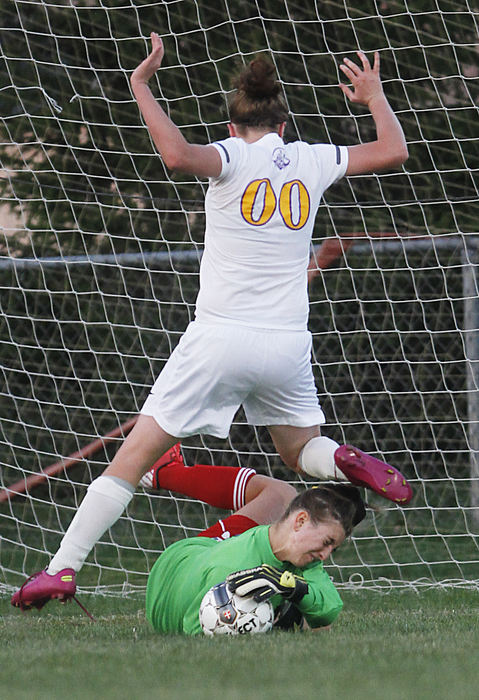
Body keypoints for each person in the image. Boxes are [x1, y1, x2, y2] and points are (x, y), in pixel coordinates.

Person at [11, 34, 410, 612]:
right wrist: (373, 97)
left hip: (221, 336)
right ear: (284, 123)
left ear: (231, 127)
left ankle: (61, 570)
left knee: (131, 462)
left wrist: (141, 87)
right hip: (287, 343)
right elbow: (392, 150)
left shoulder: (231, 156)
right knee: (300, 454)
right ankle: (341, 458)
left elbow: (175, 156)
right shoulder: (313, 158)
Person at [140, 451, 366, 634]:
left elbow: (329, 610)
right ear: (300, 521)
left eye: (332, 548)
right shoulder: (230, 567)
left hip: (209, 552)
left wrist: (296, 591)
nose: (326, 555)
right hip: (179, 562)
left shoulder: (305, 557)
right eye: (326, 542)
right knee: (282, 494)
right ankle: (164, 471)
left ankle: (284, 613)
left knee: (282, 493)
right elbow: (195, 631)